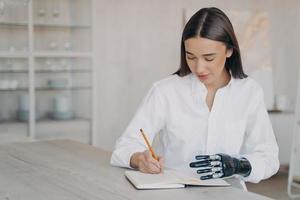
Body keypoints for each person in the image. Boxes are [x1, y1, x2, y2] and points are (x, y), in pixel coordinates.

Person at [110, 7, 279, 189]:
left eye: (209, 58)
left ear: (229, 50)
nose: (199, 68)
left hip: (229, 194)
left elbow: (268, 157)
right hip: (174, 192)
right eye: (191, 57)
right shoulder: (165, 90)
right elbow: (125, 146)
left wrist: (239, 165)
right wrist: (138, 159)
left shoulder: (249, 92)